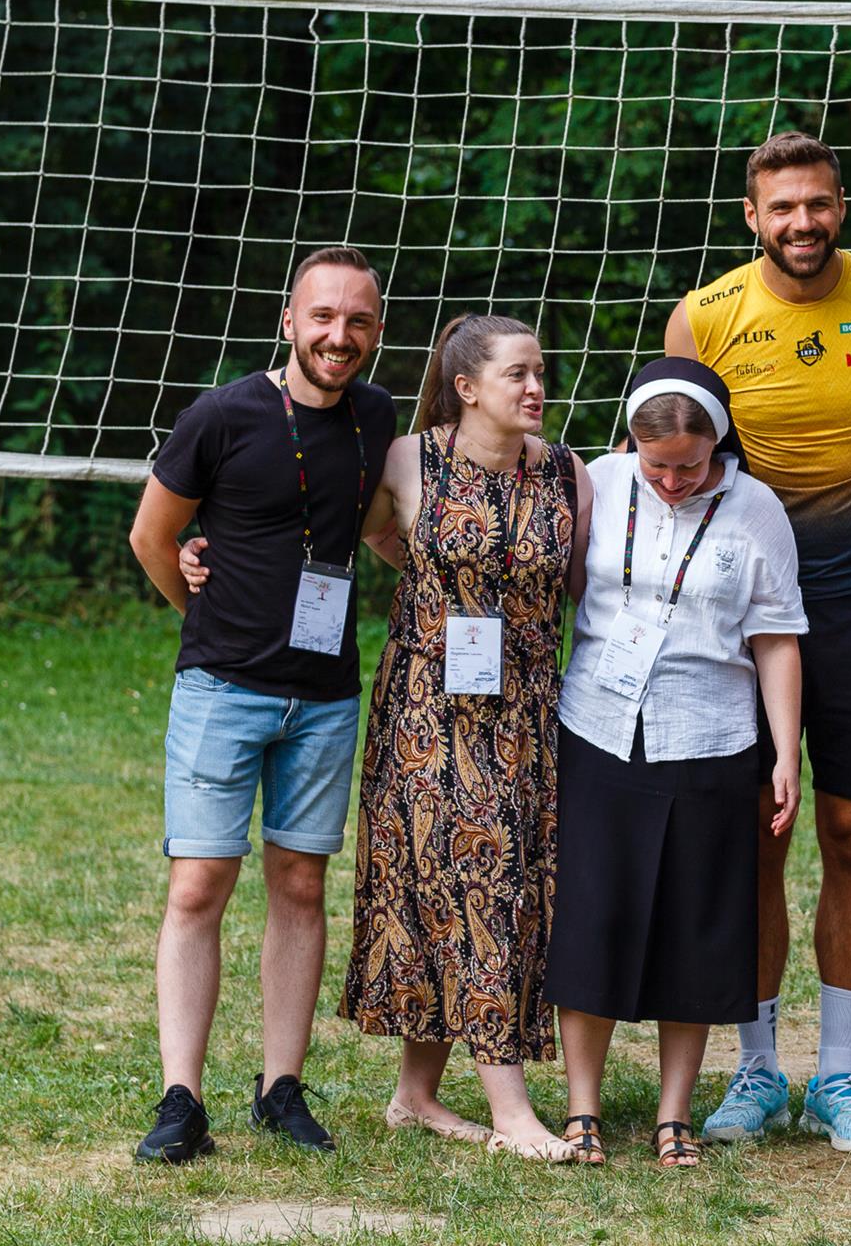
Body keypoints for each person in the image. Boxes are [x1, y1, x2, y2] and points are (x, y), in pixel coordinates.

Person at [665, 130, 851, 1154]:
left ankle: (838, 1073)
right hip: (746, 616)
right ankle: (755, 1068)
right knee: (754, 837)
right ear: (752, 216)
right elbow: (665, 461)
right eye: (782, 207)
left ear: (842, 205)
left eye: (818, 203)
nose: (802, 222)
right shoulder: (705, 316)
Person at [127, 246, 396, 1163]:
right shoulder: (222, 414)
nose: (338, 335)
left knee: (301, 884)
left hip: (324, 697)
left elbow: (374, 522)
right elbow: (153, 535)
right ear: (289, 321)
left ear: (376, 332)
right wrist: (206, 614)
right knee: (198, 885)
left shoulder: (376, 417)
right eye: (322, 316)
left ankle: (282, 1087)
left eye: (357, 320)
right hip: (222, 688)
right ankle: (182, 1098)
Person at [337, 313, 593, 1162]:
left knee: (492, 889)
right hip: (427, 711)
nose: (536, 387)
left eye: (541, 371)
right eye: (519, 373)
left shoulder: (567, 471)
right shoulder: (408, 460)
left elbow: (581, 583)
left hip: (527, 712)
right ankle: (512, 1111)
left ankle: (415, 1095)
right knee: (474, 884)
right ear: (467, 387)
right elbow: (368, 532)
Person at [545, 358, 807, 1168]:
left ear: (717, 445)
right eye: (656, 465)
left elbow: (776, 637)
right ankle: (582, 1108)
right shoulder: (599, 482)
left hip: (711, 736)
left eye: (688, 466)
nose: (669, 482)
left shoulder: (757, 508)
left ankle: (674, 1114)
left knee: (697, 926)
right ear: (632, 444)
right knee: (592, 919)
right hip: (598, 725)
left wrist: (785, 751)